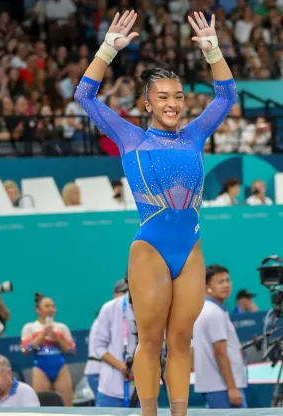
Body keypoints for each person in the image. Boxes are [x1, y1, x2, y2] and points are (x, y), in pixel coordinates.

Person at [74, 10, 237, 416]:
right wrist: (109, 48)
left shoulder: (196, 134)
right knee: (151, 342)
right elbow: (84, 96)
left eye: (178, 96)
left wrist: (213, 50)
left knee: (181, 340)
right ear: (146, 102)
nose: (172, 103)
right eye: (162, 97)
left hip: (192, 249)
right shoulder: (130, 136)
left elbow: (226, 95)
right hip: (150, 251)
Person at [192, 265, 247, 409]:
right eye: (220, 282)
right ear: (206, 286)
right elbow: (220, 352)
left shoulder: (205, 309)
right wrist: (232, 388)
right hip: (222, 388)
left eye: (228, 280)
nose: (226, 285)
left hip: (216, 386)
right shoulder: (214, 313)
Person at [20, 293, 76, 406]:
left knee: (67, 407)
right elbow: (25, 350)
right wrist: (42, 335)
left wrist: (58, 339)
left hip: (60, 368)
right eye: (47, 306)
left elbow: (72, 351)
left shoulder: (62, 327)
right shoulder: (30, 327)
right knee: (42, 406)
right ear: (38, 309)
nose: (51, 309)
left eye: (53, 306)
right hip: (41, 368)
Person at [84, 279, 130, 397]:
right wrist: (119, 365)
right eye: (123, 292)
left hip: (113, 372)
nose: (126, 295)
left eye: (128, 291)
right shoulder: (107, 313)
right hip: (98, 370)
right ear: (115, 294)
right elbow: (98, 347)